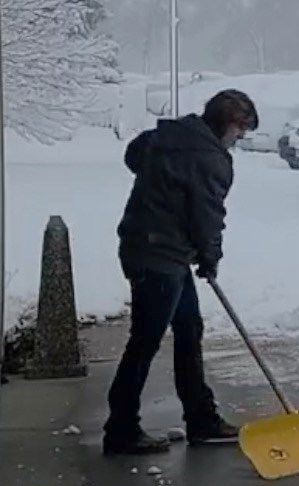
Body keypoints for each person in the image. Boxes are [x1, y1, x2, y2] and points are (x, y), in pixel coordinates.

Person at [102, 89, 259, 456]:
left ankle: (201, 420)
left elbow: (133, 156)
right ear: (229, 124)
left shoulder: (165, 137)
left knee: (189, 328)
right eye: (241, 132)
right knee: (144, 341)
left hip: (148, 246)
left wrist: (164, 188)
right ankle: (121, 429)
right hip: (160, 256)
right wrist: (210, 257)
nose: (239, 141)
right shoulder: (211, 160)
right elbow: (208, 217)